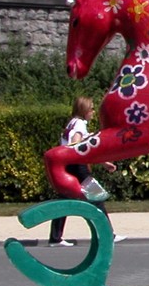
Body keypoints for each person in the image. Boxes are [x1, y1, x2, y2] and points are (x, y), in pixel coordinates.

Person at [48, 96, 122, 246]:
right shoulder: (80, 124)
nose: (93, 112)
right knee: (97, 198)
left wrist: (103, 163)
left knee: (64, 200)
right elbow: (77, 145)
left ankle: (55, 238)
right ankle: (108, 234)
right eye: (91, 109)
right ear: (84, 110)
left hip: (69, 165)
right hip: (77, 166)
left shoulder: (72, 123)